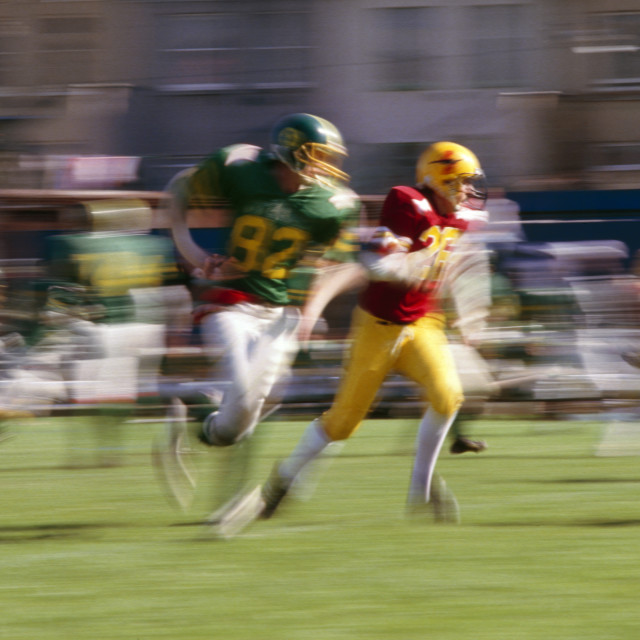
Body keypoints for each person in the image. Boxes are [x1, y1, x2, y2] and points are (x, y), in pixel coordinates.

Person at [213, 141, 491, 537]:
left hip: (424, 322)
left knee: (448, 397)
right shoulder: (406, 201)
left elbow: (462, 263)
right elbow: (375, 259)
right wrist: (401, 265)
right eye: (461, 181)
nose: (467, 190)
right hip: (377, 326)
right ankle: (284, 481)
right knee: (343, 423)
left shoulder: (462, 218)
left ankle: (420, 491)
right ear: (438, 177)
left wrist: (471, 309)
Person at [157, 113, 361, 514]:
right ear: (289, 151)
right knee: (246, 399)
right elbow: (179, 189)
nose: (325, 166)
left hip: (279, 313)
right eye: (316, 155)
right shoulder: (242, 167)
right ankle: (229, 487)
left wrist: (311, 307)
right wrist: (194, 254)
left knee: (240, 422)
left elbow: (338, 265)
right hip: (229, 302)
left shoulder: (330, 205)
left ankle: (199, 410)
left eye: (328, 157)